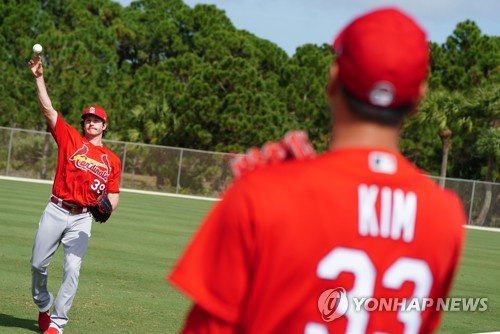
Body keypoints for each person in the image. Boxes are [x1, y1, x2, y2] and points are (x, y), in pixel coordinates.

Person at [168, 7, 467, 334]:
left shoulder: (265, 194)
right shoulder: (445, 216)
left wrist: (266, 189)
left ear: (333, 78)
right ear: (418, 97)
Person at [28, 55, 122, 334]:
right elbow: (48, 109)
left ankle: (58, 323)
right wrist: (38, 77)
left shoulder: (112, 160)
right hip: (56, 209)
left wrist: (109, 209)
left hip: (82, 219)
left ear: (104, 126)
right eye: (88, 120)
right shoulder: (69, 137)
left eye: (96, 120)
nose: (91, 123)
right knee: (37, 264)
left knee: (72, 269)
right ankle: (44, 304)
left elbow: (113, 193)